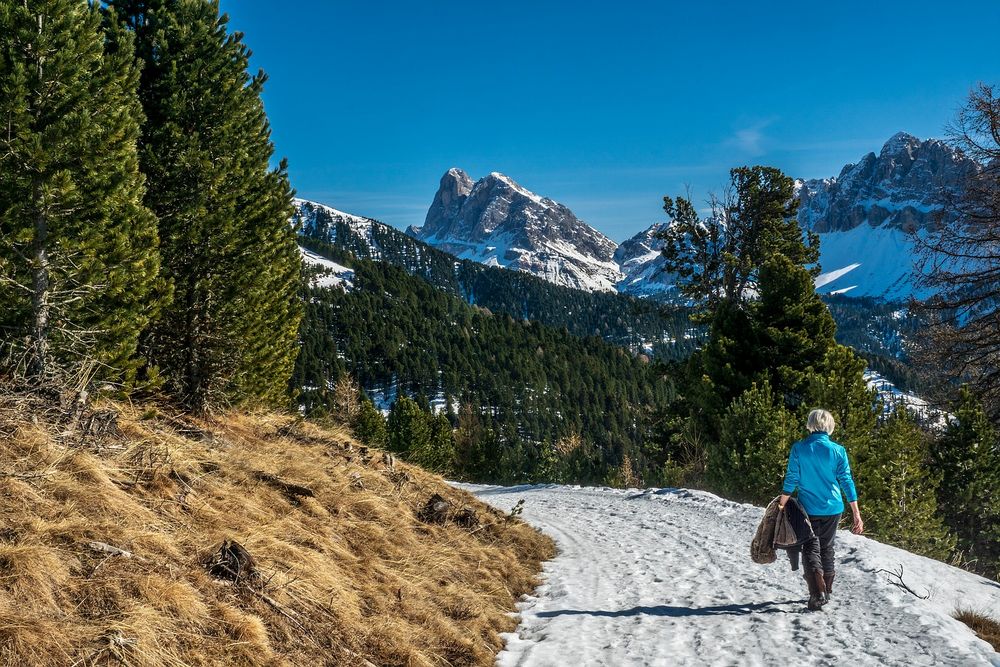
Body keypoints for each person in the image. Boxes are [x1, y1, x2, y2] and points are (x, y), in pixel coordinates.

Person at [778, 408, 864, 611]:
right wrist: (856, 513)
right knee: (827, 547)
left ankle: (817, 593)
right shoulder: (838, 450)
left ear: (810, 424)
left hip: (808, 508)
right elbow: (846, 481)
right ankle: (827, 590)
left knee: (810, 548)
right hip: (833, 508)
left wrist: (782, 504)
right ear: (829, 426)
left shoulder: (799, 448)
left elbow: (792, 479)